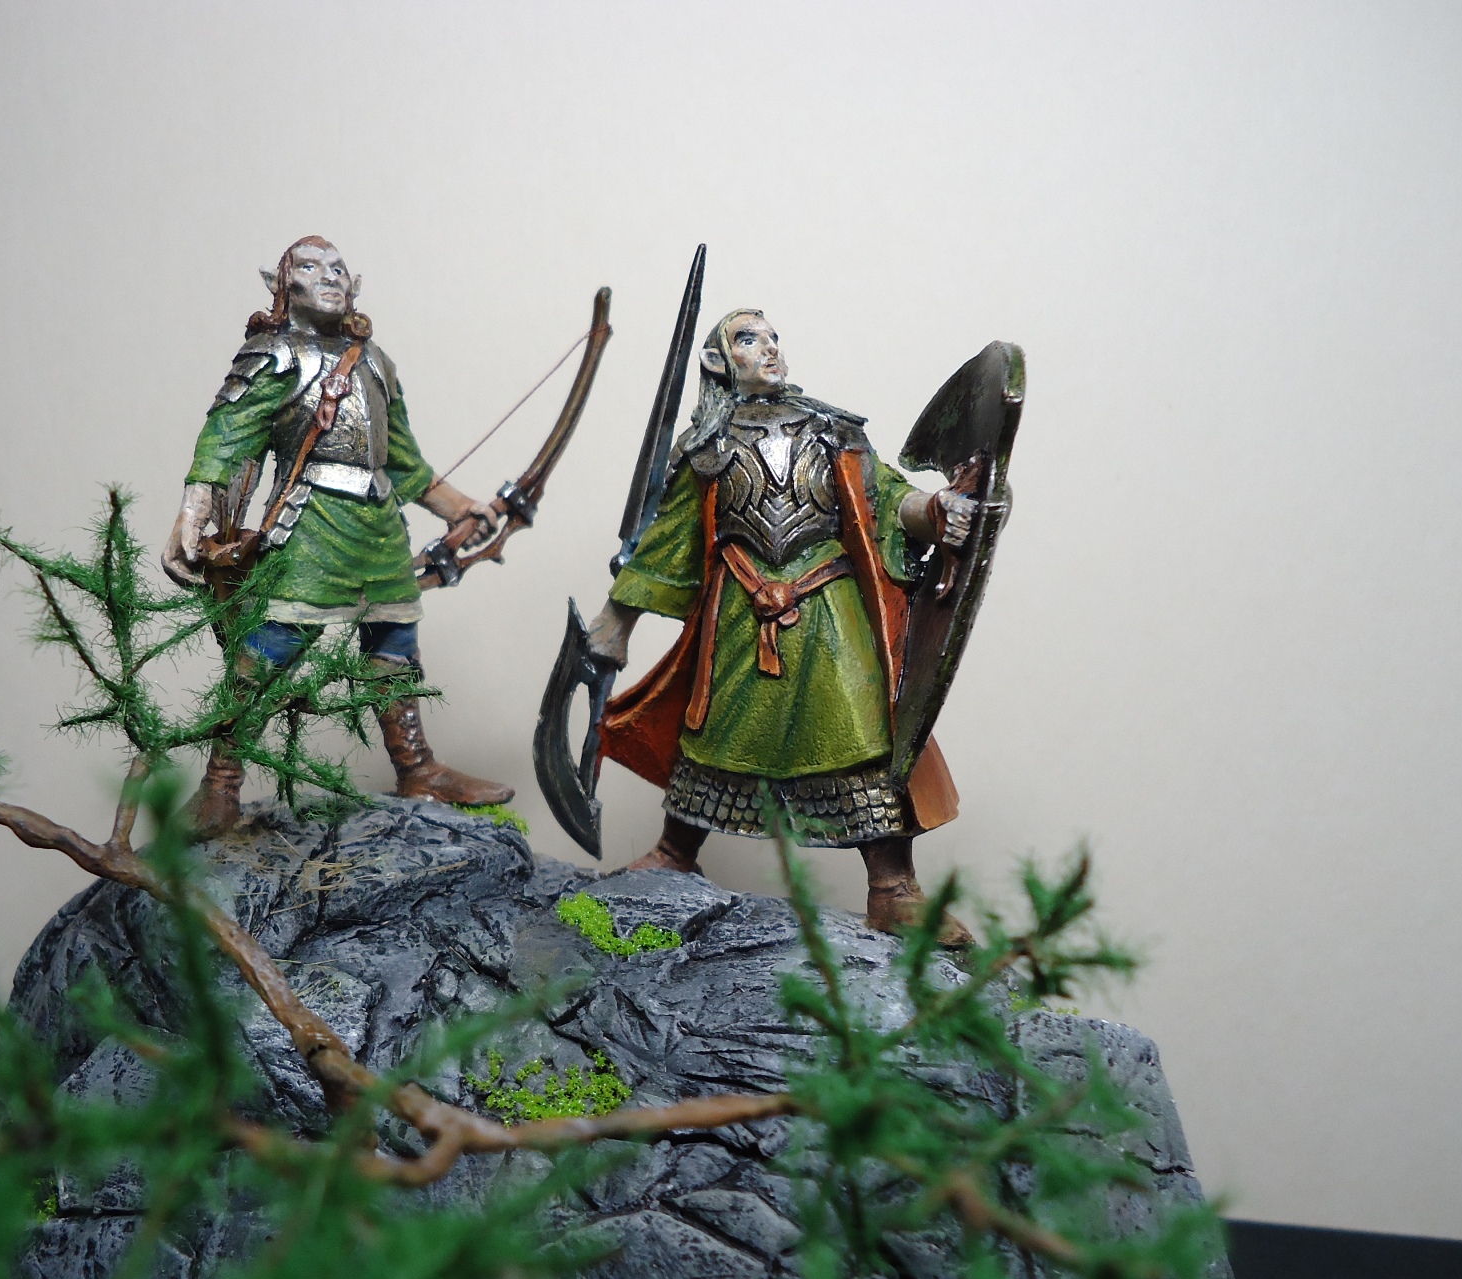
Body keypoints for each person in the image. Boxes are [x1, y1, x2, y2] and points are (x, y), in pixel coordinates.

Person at [587, 309, 979, 942]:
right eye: (748, 339)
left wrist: (936, 509)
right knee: (715, 729)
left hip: (829, 610)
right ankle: (675, 852)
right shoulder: (707, 446)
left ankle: (893, 889)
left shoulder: (834, 431)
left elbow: (885, 499)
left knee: (862, 733)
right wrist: (618, 619)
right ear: (718, 362)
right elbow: (668, 541)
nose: (768, 348)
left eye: (772, 337)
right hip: (740, 612)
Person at [162, 235, 513, 837]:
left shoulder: (374, 362)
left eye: (338, 268)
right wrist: (193, 513)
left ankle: (418, 769)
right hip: (309, 528)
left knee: (395, 643)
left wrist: (461, 508)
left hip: (378, 527)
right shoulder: (273, 356)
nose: (329, 276)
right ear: (283, 284)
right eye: (310, 265)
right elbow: (226, 435)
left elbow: (403, 461)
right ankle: (219, 788)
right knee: (265, 654)